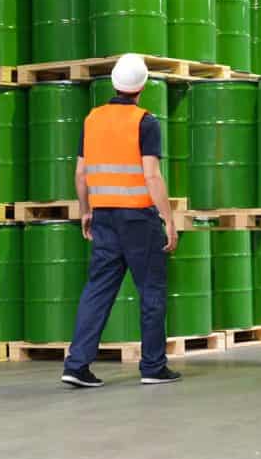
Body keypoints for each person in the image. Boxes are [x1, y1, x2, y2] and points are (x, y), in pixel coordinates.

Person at [61, 53, 180, 388]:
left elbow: (81, 173)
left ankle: (77, 364)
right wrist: (168, 220)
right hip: (139, 219)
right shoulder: (145, 121)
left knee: (97, 290)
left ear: (114, 83)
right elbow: (152, 176)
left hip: (104, 216)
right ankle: (153, 367)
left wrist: (86, 210)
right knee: (151, 291)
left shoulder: (92, 119)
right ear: (142, 87)